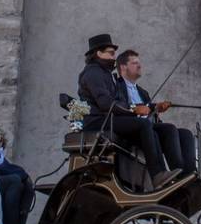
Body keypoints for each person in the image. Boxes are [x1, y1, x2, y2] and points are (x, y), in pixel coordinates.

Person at [77, 33, 180, 189]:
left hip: (109, 119)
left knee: (166, 129)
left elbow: (121, 102)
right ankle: (157, 175)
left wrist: (152, 107)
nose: (114, 56)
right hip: (98, 121)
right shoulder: (92, 73)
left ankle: (176, 174)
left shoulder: (106, 74)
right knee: (143, 125)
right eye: (111, 53)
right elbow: (106, 104)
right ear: (98, 53)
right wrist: (135, 110)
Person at [116, 49, 196, 175]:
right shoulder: (116, 86)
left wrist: (157, 109)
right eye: (135, 63)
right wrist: (135, 108)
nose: (140, 66)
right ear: (123, 67)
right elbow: (116, 106)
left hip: (148, 128)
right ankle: (180, 174)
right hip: (130, 130)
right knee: (169, 129)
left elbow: (150, 112)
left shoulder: (143, 92)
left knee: (185, 134)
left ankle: (191, 173)